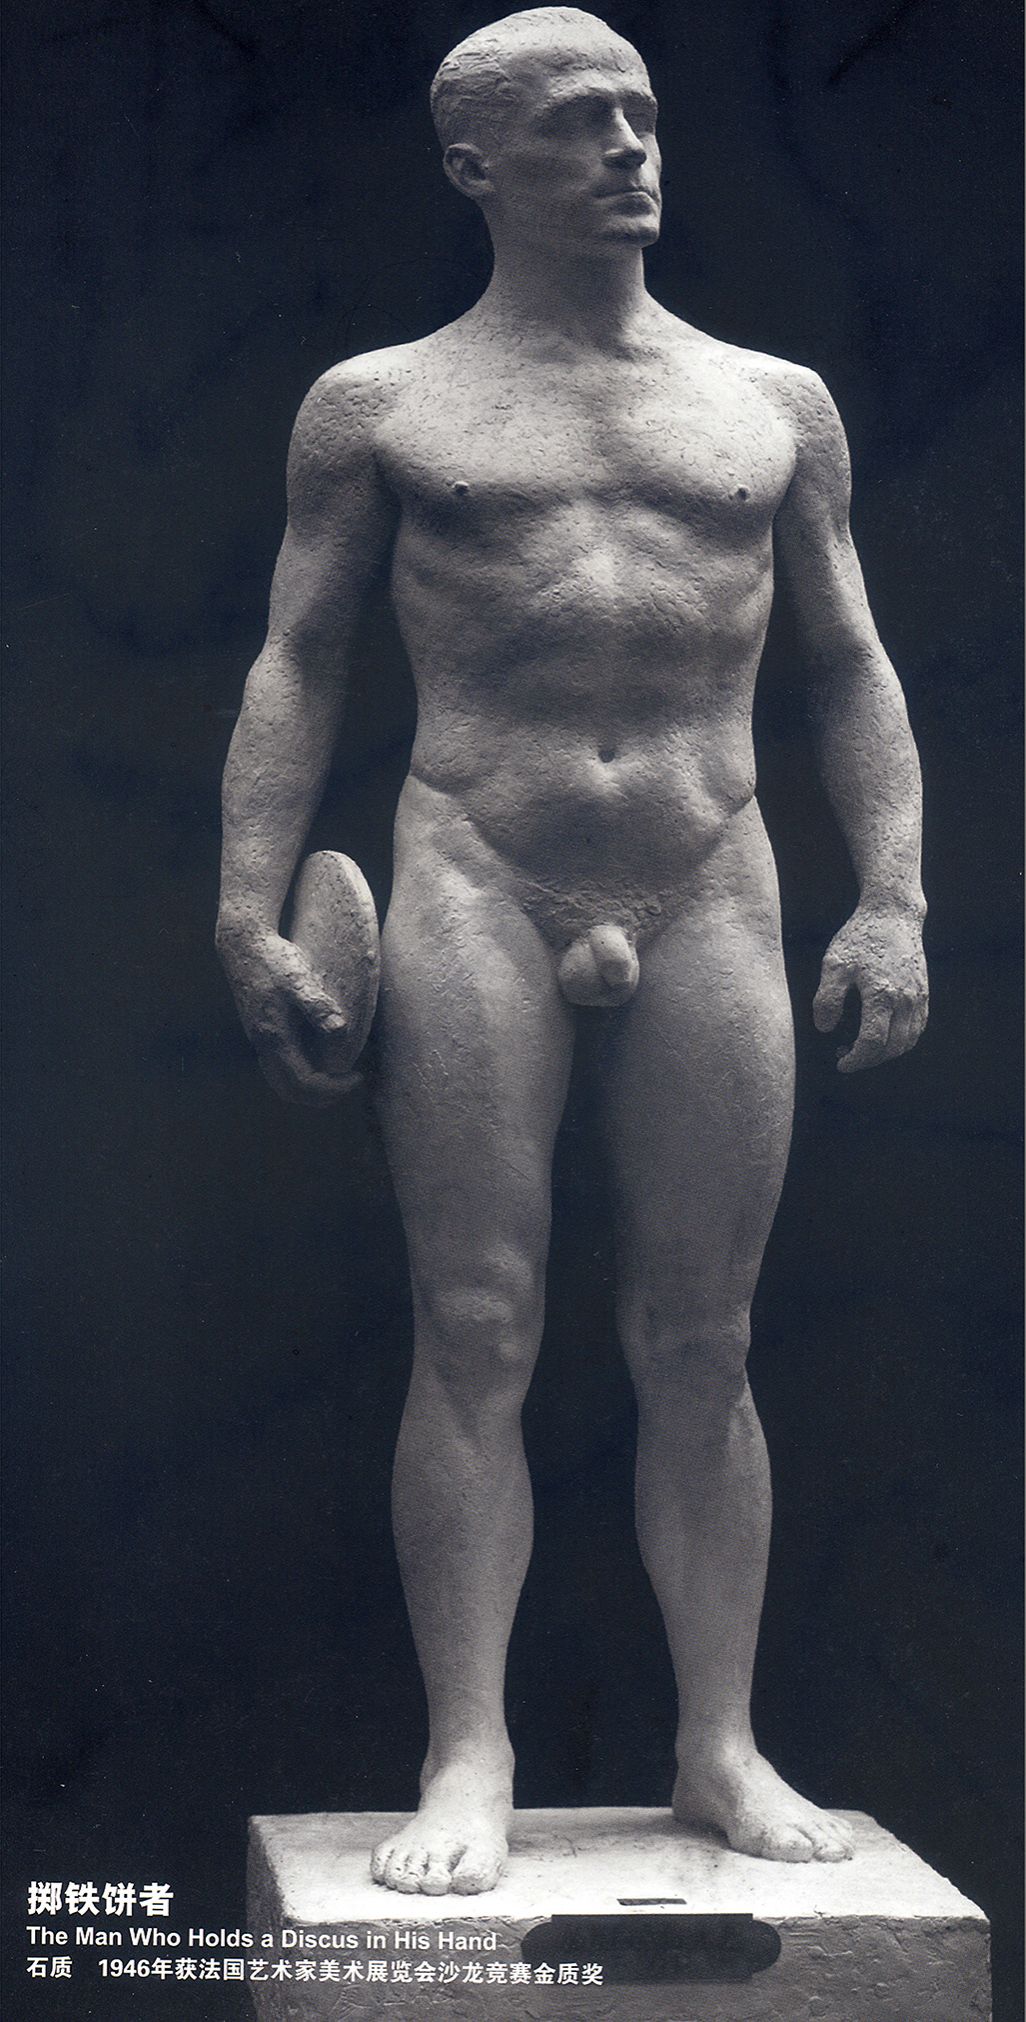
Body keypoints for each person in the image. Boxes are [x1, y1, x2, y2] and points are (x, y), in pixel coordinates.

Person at [216, 7, 928, 1896]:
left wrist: (893, 895)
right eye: (576, 119)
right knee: (474, 1324)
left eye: (641, 112)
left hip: (709, 873)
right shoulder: (382, 404)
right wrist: (242, 903)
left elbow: (849, 661)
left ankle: (718, 1745)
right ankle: (467, 1751)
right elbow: (297, 657)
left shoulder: (769, 404)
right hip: (475, 864)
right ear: (475, 167)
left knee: (705, 1335)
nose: (626, 144)